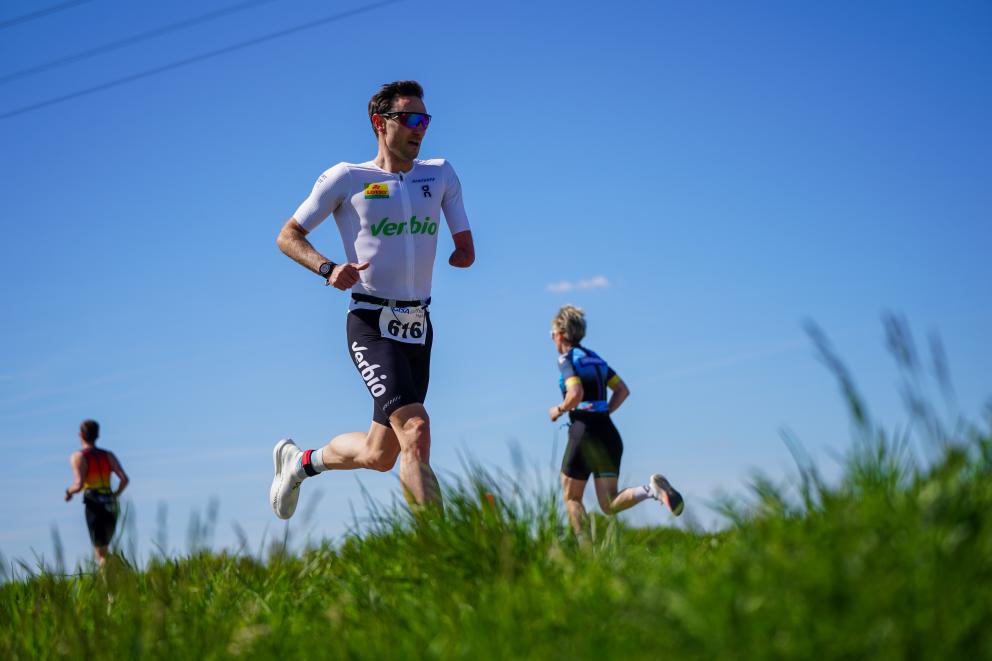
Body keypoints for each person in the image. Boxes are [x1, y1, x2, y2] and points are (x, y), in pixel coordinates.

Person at [270, 80, 475, 519]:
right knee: (415, 430)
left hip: (418, 324)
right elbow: (288, 236)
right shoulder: (347, 177)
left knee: (380, 453)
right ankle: (443, 553)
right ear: (380, 123)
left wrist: (463, 252)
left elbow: (465, 245)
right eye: (410, 119)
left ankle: (300, 463)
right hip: (370, 323)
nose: (420, 129)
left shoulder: (439, 174)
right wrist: (327, 268)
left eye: (425, 120)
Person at [548, 305, 683, 538]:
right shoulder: (597, 360)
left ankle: (587, 558)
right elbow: (622, 390)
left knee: (572, 497)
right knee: (609, 504)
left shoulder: (566, 359)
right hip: (608, 432)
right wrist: (604, 414)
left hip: (583, 432)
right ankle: (652, 490)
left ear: (559, 335)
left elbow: (576, 394)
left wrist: (558, 409)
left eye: (551, 335)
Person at [64, 419, 129, 565]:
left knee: (100, 553)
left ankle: (108, 584)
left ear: (80, 435)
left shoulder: (78, 457)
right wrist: (115, 494)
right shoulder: (108, 456)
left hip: (94, 504)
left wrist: (68, 492)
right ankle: (118, 572)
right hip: (110, 503)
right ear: (97, 435)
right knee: (103, 548)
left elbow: (78, 485)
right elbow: (124, 479)